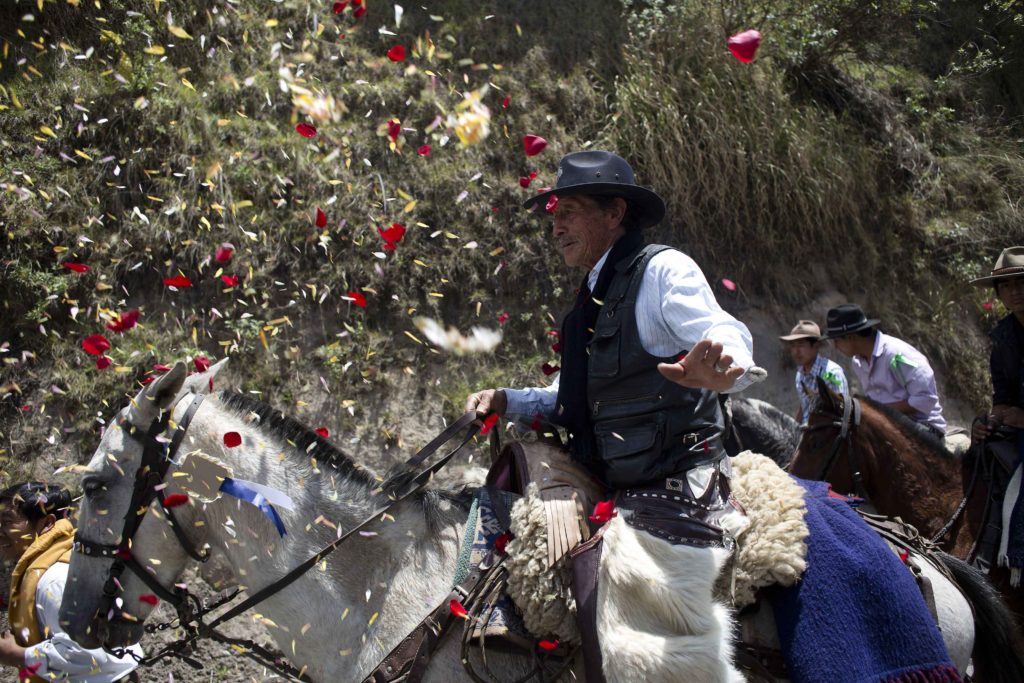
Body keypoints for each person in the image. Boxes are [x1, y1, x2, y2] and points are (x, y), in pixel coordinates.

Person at [465, 150, 757, 679]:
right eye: (553, 215)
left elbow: (723, 332)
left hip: (674, 480)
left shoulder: (662, 271)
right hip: (614, 474)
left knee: (610, 601)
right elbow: (571, 395)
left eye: (569, 211)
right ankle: (486, 615)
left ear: (615, 212)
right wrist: (507, 399)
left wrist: (722, 368)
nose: (555, 227)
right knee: (513, 476)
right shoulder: (596, 291)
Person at [0, 482, 142, 682]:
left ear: (47, 523)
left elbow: (89, 651)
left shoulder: (54, 578)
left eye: (7, 521)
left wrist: (18, 655)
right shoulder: (68, 562)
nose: (0, 530)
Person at [821, 303, 969, 452]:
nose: (835, 346)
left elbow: (926, 399)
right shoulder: (858, 363)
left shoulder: (897, 354)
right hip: (887, 427)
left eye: (837, 340)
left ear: (851, 337)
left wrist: (878, 411)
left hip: (923, 428)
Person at [969, 247, 1024, 582]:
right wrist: (991, 421)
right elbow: (1002, 399)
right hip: (1016, 428)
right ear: (998, 293)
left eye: (1021, 282)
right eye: (1006, 286)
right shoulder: (1002, 337)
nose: (1014, 291)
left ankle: (1018, 556)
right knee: (975, 460)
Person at [779, 319, 849, 425]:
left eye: (801, 345)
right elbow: (804, 406)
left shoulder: (831, 373)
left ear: (816, 346)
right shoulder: (800, 374)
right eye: (793, 345)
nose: (796, 351)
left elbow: (841, 412)